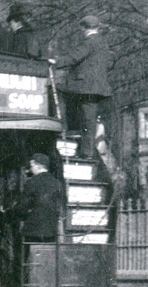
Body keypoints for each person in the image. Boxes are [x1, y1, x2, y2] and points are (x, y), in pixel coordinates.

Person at [49, 15, 113, 159]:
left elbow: (74, 57)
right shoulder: (103, 43)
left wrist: (55, 62)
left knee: (59, 92)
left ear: (83, 28)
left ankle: (64, 130)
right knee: (89, 119)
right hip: (98, 88)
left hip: (85, 87)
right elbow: (110, 63)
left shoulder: (89, 41)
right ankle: (86, 150)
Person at [13, 153, 63, 243]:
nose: (31, 168)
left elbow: (23, 207)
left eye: (32, 165)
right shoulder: (56, 183)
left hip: (33, 230)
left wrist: (17, 212)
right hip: (51, 230)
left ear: (38, 166)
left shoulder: (31, 182)